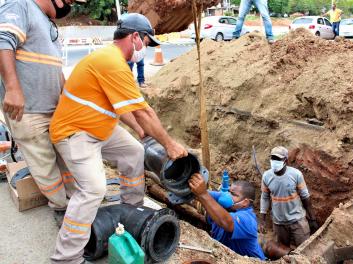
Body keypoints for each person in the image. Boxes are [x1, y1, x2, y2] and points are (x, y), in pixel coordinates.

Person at [49, 13, 188, 264]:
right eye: (146, 43)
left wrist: (141, 131)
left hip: (97, 126)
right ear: (135, 37)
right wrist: (169, 145)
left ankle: (132, 210)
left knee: (134, 150)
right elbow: (144, 111)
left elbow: (125, 109)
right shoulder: (111, 62)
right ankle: (66, 257)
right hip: (75, 131)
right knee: (93, 189)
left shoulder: (113, 61)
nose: (144, 49)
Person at [0, 0, 83, 220]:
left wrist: (67, 94)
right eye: (71, 0)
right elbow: (3, 40)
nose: (70, 6)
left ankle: (75, 201)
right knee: (46, 168)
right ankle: (63, 209)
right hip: (29, 110)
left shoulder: (47, 23)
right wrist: (13, 88)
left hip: (54, 109)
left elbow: (54, 65)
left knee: (65, 160)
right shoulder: (20, 5)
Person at [189, 173, 266, 260]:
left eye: (233, 194)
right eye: (229, 191)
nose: (227, 195)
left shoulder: (249, 220)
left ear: (245, 202)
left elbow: (225, 222)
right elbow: (198, 192)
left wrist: (203, 194)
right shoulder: (227, 203)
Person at [260, 146, 318, 248]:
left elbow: (305, 197)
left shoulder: (296, 175)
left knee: (304, 249)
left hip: (298, 221)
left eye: (278, 159)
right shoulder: (266, 176)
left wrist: (312, 219)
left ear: (285, 160)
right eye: (273, 158)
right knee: (283, 251)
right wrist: (263, 220)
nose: (274, 161)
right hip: (279, 223)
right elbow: (264, 197)